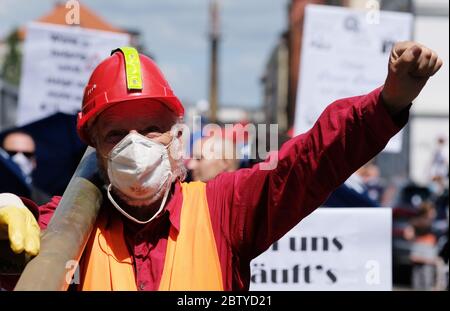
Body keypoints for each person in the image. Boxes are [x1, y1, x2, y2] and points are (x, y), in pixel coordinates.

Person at [0, 42, 443, 291]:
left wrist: (389, 101)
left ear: (177, 135)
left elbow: (310, 160)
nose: (136, 146)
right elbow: (18, 246)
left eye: (152, 128)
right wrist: (7, 213)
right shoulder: (66, 225)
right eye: (117, 134)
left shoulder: (224, 207)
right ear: (94, 145)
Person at [1, 131, 50, 205]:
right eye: (12, 153)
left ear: (34, 162)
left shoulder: (44, 203)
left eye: (27, 154)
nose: (19, 159)